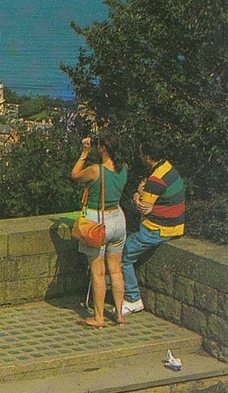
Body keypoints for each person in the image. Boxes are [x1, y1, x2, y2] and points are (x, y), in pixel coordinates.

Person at [119, 142, 185, 316]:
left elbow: (142, 207)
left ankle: (133, 298)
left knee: (123, 254)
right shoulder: (168, 168)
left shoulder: (155, 180)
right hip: (174, 225)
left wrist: (136, 194)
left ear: (148, 157)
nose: (140, 157)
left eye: (141, 154)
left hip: (158, 229)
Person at [71, 133, 129, 328]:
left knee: (98, 272)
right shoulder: (124, 169)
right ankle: (119, 313)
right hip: (118, 219)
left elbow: (75, 175)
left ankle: (98, 317)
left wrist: (84, 152)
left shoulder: (96, 170)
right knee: (115, 269)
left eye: (98, 145)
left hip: (98, 221)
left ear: (103, 147)